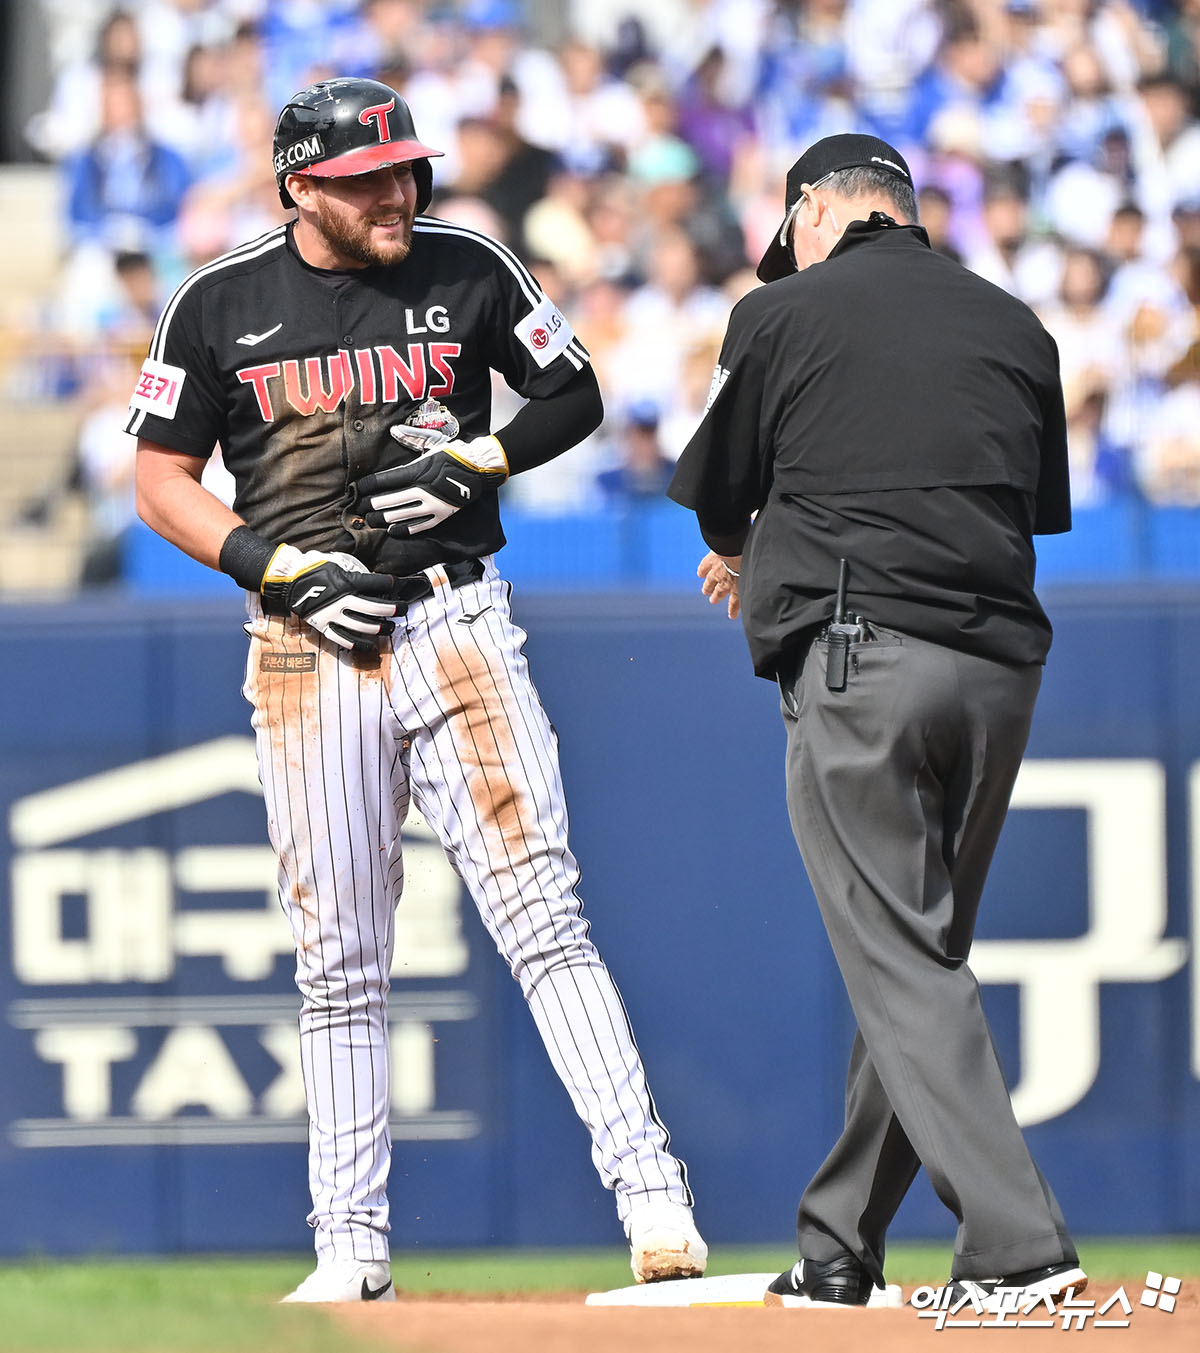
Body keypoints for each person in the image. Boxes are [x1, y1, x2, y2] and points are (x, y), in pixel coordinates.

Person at [129, 76, 704, 1303]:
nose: (397, 192)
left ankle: (654, 1199)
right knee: (338, 960)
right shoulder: (219, 301)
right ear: (301, 185)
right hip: (305, 646)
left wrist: (484, 454)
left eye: (404, 169)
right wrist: (273, 568)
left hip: (455, 616)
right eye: (365, 178)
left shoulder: (467, 264)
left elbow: (576, 390)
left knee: (544, 918)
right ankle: (351, 1250)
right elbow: (161, 478)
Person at [668, 133, 1085, 1312]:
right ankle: (838, 1244)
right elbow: (1026, 505)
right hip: (999, 668)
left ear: (811, 212)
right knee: (915, 956)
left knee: (904, 958)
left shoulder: (783, 313)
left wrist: (752, 550)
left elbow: (716, 492)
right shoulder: (1017, 324)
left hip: (866, 665)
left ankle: (1018, 1245)